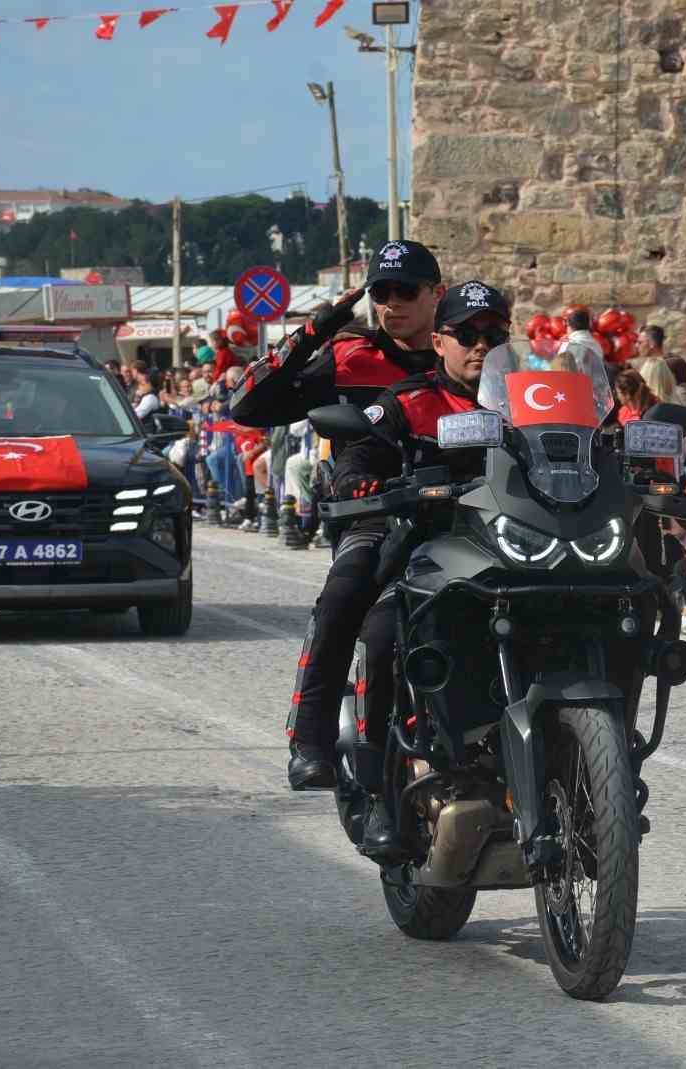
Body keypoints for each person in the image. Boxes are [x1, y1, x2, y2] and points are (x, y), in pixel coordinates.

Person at [233, 240, 448, 790]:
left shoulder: (468, 355)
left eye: (406, 291)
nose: (392, 303)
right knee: (343, 597)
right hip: (374, 513)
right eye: (381, 292)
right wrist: (316, 330)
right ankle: (311, 741)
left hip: (467, 513)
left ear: (436, 294)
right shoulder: (352, 356)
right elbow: (248, 406)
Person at [327, 279, 507, 857]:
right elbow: (359, 451)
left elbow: (589, 442)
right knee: (383, 637)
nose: (481, 346)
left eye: (493, 335)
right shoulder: (408, 398)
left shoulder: (530, 400)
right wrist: (363, 478)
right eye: (467, 335)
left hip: (509, 556)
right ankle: (380, 793)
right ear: (439, 340)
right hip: (424, 556)